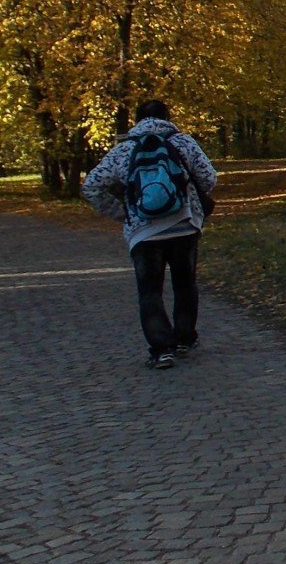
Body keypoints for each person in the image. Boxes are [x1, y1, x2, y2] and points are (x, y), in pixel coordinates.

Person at [82, 100, 219, 369]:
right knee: (185, 283)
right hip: (184, 225)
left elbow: (91, 187)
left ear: (136, 121)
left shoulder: (123, 150)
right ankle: (184, 338)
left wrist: (122, 212)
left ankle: (161, 349)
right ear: (168, 117)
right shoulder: (183, 143)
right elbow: (209, 179)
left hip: (143, 232)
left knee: (150, 291)